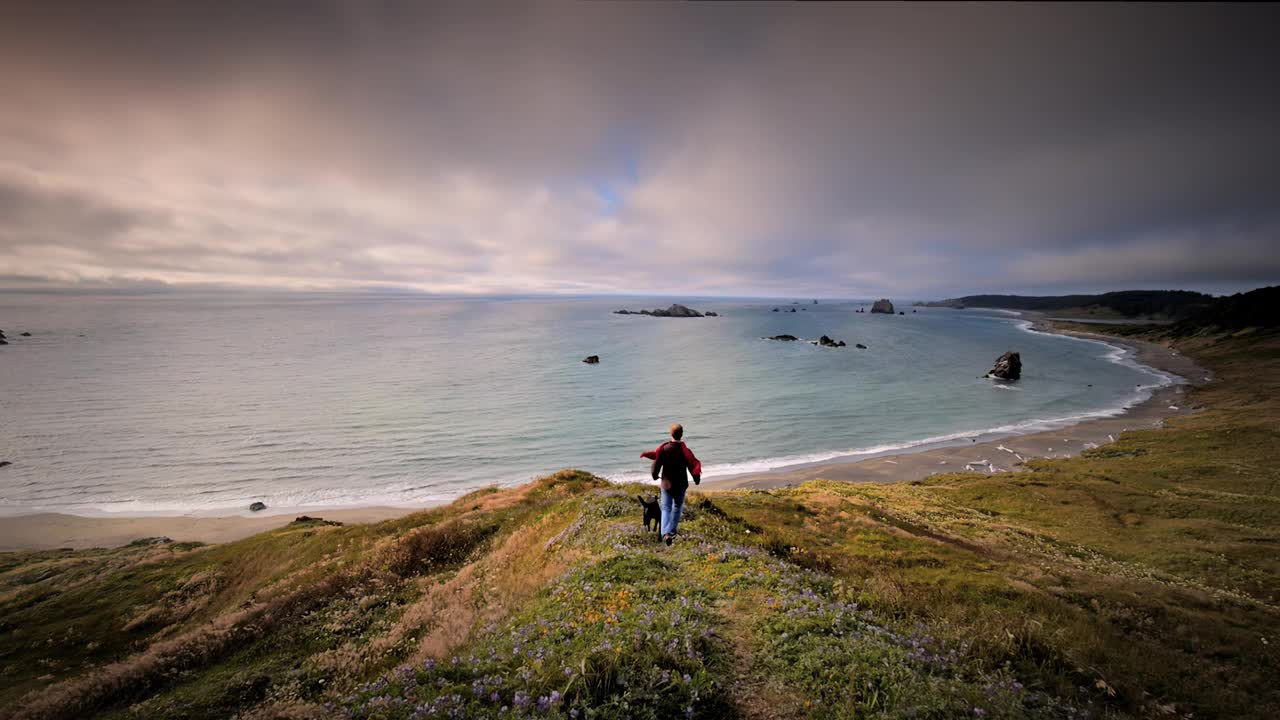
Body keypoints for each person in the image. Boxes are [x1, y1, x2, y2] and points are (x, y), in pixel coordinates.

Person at [642, 423, 702, 545]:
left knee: (666, 508)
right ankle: (672, 531)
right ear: (682, 434)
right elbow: (692, 464)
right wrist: (696, 478)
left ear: (670, 434)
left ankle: (666, 533)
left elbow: (656, 463)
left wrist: (654, 475)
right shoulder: (685, 450)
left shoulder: (664, 449)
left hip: (666, 484)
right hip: (680, 485)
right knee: (677, 508)